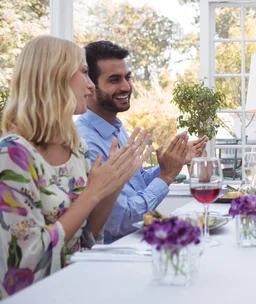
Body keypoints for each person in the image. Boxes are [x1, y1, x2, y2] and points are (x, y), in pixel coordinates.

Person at [0, 36, 151, 298]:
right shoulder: (13, 154)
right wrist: (93, 192)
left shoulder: (75, 147)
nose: (91, 86)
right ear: (54, 77)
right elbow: (24, 265)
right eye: (84, 73)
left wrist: (114, 183)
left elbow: (86, 237)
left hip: (80, 287)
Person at [75, 41, 208, 243]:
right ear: (90, 85)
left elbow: (134, 185)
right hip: (117, 255)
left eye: (127, 77)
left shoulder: (116, 129)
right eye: (114, 80)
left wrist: (172, 163)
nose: (126, 86)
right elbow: (121, 221)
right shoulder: (87, 143)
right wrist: (166, 175)